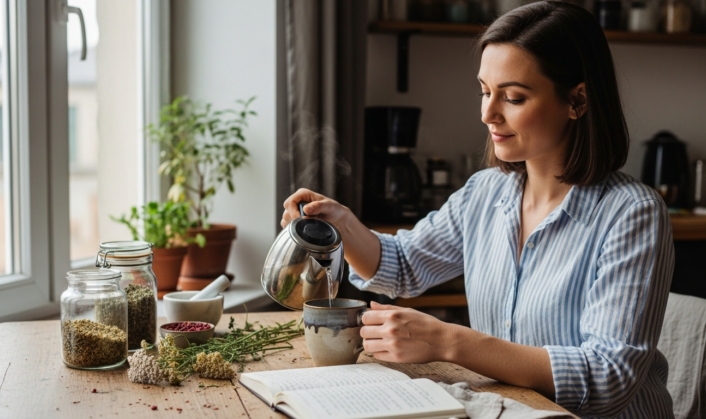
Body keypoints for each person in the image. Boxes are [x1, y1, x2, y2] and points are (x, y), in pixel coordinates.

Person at [280, 2, 674, 417]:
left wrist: (449, 341)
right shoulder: (486, 192)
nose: (487, 113)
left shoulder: (633, 214)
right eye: (485, 91)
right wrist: (341, 222)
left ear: (577, 99)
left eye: (514, 97)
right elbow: (406, 264)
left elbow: (609, 377)